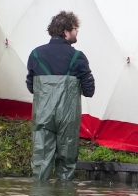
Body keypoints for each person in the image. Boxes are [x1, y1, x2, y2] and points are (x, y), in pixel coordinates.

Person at [26, 11, 95, 181]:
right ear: (66, 32)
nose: (76, 32)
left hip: (43, 115)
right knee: (67, 162)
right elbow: (89, 90)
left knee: (41, 161)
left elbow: (31, 86)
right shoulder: (78, 57)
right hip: (68, 116)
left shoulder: (35, 54)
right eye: (74, 29)